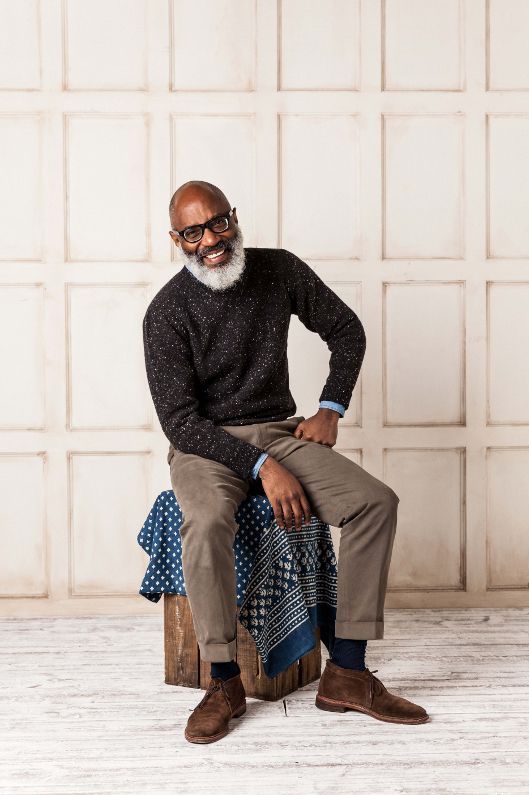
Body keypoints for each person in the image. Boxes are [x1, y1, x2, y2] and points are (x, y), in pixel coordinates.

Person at [142, 180, 429, 744]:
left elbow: (346, 330)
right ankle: (223, 681)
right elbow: (180, 422)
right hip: (205, 446)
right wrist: (261, 468)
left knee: (375, 503)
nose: (211, 241)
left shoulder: (278, 270)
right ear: (177, 240)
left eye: (219, 223)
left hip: (279, 430)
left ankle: (347, 672)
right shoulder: (166, 312)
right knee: (205, 521)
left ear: (233, 218)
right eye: (194, 233)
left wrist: (330, 407)